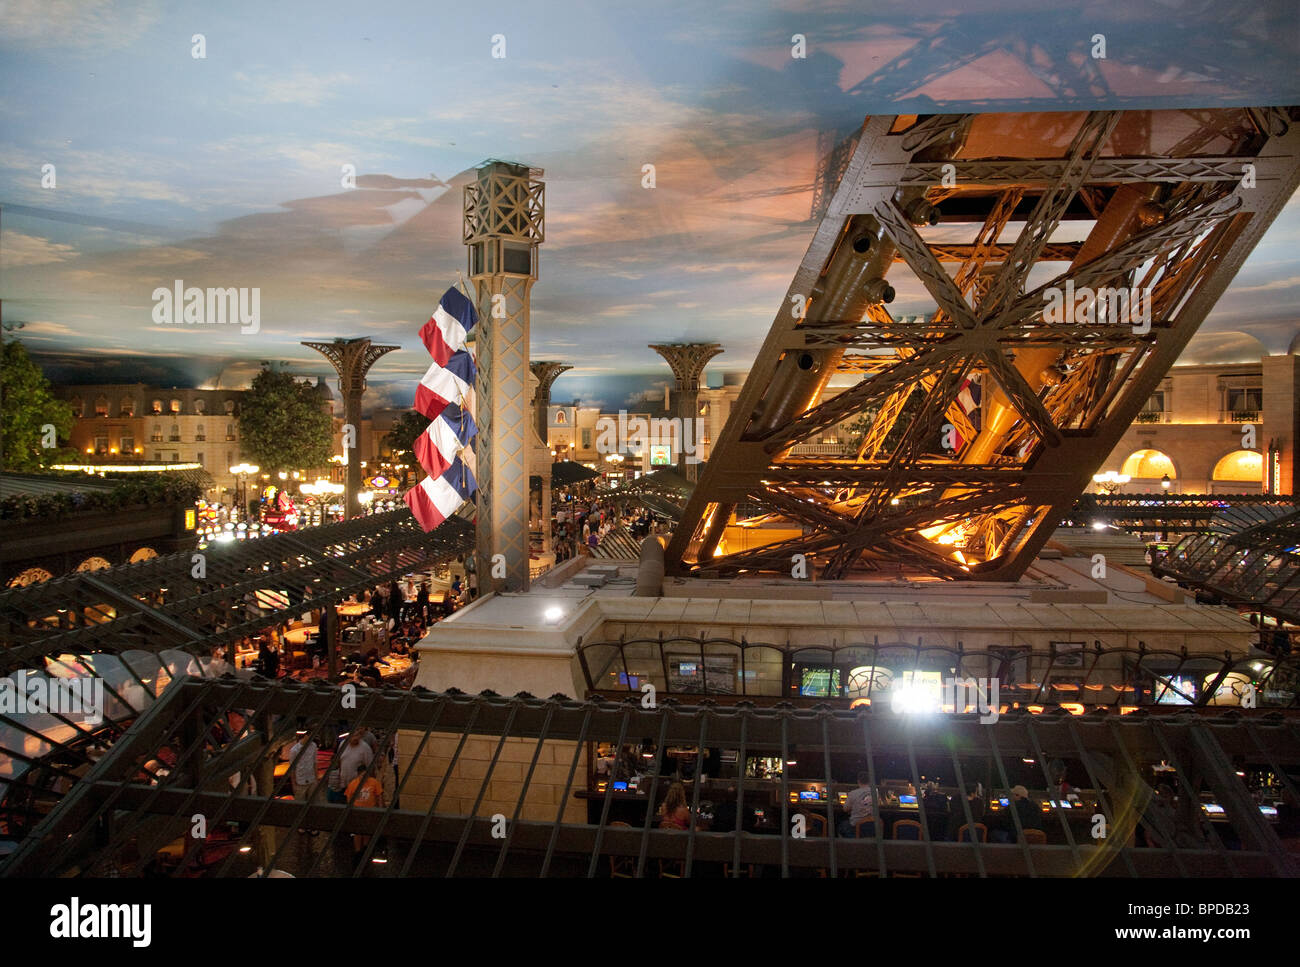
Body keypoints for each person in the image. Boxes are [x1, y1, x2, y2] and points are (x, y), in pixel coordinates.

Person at [344, 763, 384, 853]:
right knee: (357, 832)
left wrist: (380, 810)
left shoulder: (374, 782)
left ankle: (366, 848)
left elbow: (379, 796)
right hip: (357, 812)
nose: (365, 777)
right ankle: (358, 850)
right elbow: (349, 799)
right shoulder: (353, 784)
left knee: (367, 831)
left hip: (369, 811)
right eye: (362, 775)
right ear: (358, 775)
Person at [838, 772, 875, 837]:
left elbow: (845, 809)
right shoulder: (876, 793)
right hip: (873, 827)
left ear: (858, 781)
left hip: (856, 827)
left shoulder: (853, 793)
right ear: (870, 781)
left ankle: (846, 846)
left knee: (841, 825)